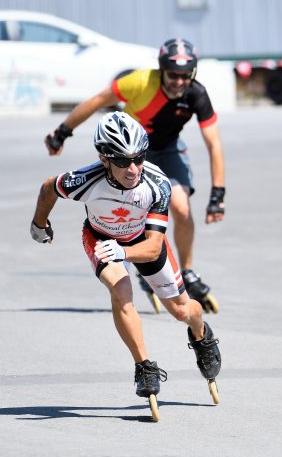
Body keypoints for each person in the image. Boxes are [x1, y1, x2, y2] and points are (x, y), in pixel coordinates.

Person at [31, 112, 221, 405]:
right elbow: (49, 187)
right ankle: (144, 366)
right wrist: (39, 224)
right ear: (104, 159)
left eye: (139, 158)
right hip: (100, 238)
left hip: (143, 241)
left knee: (183, 312)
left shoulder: (157, 183)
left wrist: (124, 251)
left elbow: (154, 246)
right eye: (122, 161)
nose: (132, 169)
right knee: (121, 291)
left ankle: (201, 334)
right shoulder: (85, 179)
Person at [44, 38, 225, 312]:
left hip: (168, 150)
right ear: (161, 70)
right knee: (130, 209)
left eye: (185, 76)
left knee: (182, 208)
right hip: (130, 153)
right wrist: (62, 132)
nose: (179, 82)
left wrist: (218, 195)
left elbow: (214, 144)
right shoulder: (139, 82)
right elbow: (97, 101)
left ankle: (185, 271)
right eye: (173, 75)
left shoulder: (197, 94)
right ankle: (144, 262)